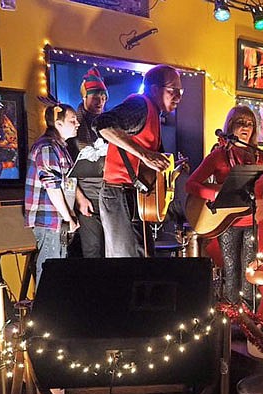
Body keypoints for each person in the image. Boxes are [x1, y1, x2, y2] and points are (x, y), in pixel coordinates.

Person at [94, 64, 182, 257]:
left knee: (140, 259)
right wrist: (145, 154)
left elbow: (150, 167)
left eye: (180, 91)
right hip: (120, 193)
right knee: (129, 264)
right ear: (154, 89)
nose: (179, 96)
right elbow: (102, 124)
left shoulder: (154, 114)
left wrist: (173, 169)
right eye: (173, 90)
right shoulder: (140, 105)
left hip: (134, 195)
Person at [185, 106, 263, 304]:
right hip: (226, 222)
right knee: (231, 270)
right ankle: (231, 320)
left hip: (252, 221)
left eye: (250, 123)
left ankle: (250, 320)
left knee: (250, 270)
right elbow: (190, 185)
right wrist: (215, 192)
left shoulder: (260, 156)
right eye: (240, 122)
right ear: (230, 126)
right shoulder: (218, 156)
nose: (246, 127)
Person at [24, 102, 80, 284]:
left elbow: (68, 181)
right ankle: (44, 310)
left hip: (57, 219)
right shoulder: (47, 147)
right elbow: (52, 187)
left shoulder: (60, 147)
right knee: (50, 266)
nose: (77, 123)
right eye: (73, 120)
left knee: (58, 267)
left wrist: (80, 201)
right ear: (58, 123)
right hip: (49, 219)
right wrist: (68, 217)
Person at [67, 68, 109, 258]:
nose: (100, 101)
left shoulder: (108, 123)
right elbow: (65, 169)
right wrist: (79, 198)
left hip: (108, 192)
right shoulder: (73, 125)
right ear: (85, 98)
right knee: (93, 248)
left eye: (103, 97)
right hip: (86, 193)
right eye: (95, 97)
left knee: (112, 248)